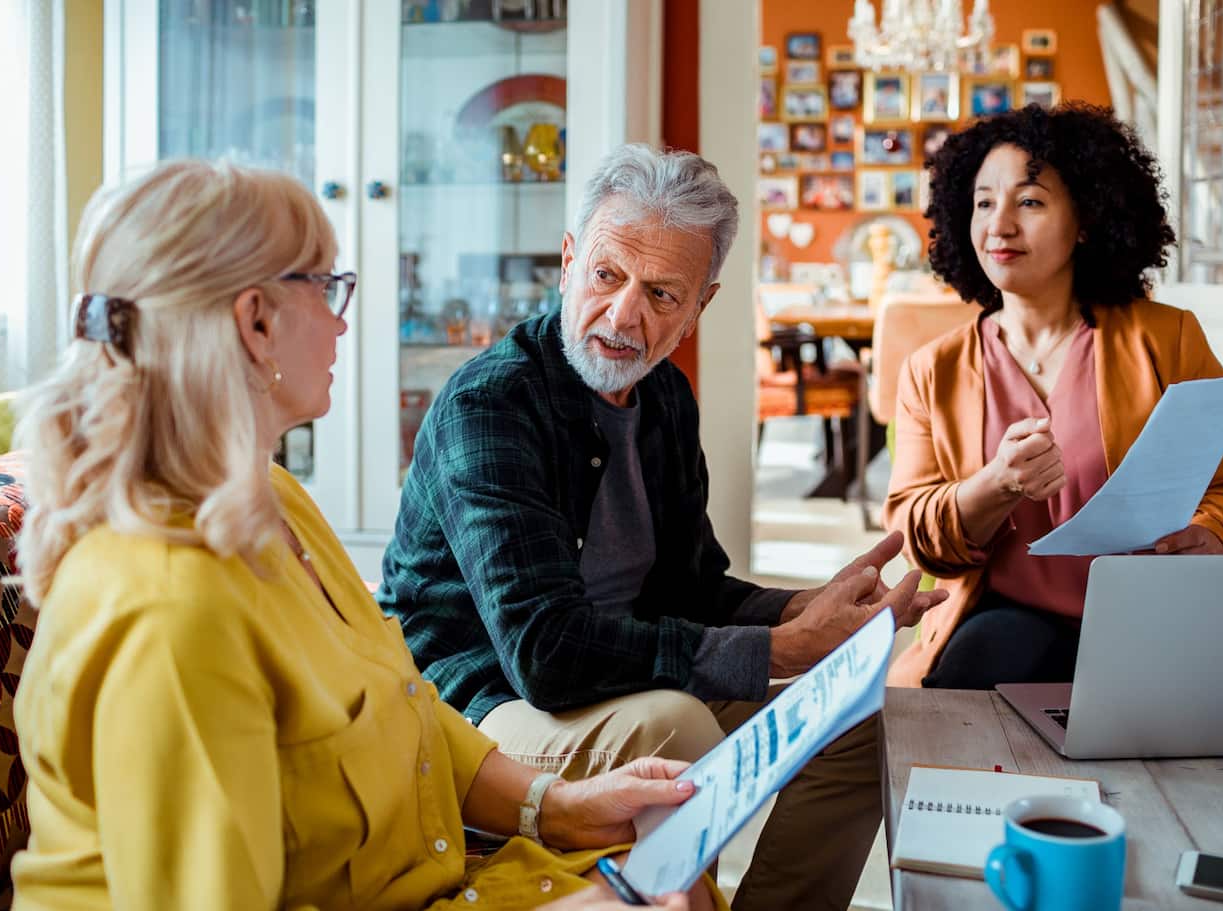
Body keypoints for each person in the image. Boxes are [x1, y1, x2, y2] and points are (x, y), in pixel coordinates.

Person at [10, 160, 719, 911]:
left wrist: (555, 803)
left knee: (677, 877)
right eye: (325, 286)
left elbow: (401, 703)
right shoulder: (168, 611)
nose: (343, 317)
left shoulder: (272, 498)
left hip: (439, 876)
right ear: (256, 322)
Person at [378, 143, 946, 911]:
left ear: (699, 308)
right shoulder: (492, 405)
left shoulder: (665, 397)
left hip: (619, 677)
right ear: (570, 261)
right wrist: (778, 649)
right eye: (607, 276)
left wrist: (809, 606)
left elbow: (692, 586)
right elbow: (544, 653)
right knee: (676, 726)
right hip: (486, 701)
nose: (623, 315)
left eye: (661, 293)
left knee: (859, 721)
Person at [883, 103, 1223, 689]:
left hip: (1150, 615)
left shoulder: (1168, 338)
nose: (1000, 225)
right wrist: (994, 485)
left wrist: (1213, 535)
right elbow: (916, 538)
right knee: (974, 672)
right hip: (1004, 621)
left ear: (1086, 219)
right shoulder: (931, 371)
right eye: (984, 203)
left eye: (1030, 201)